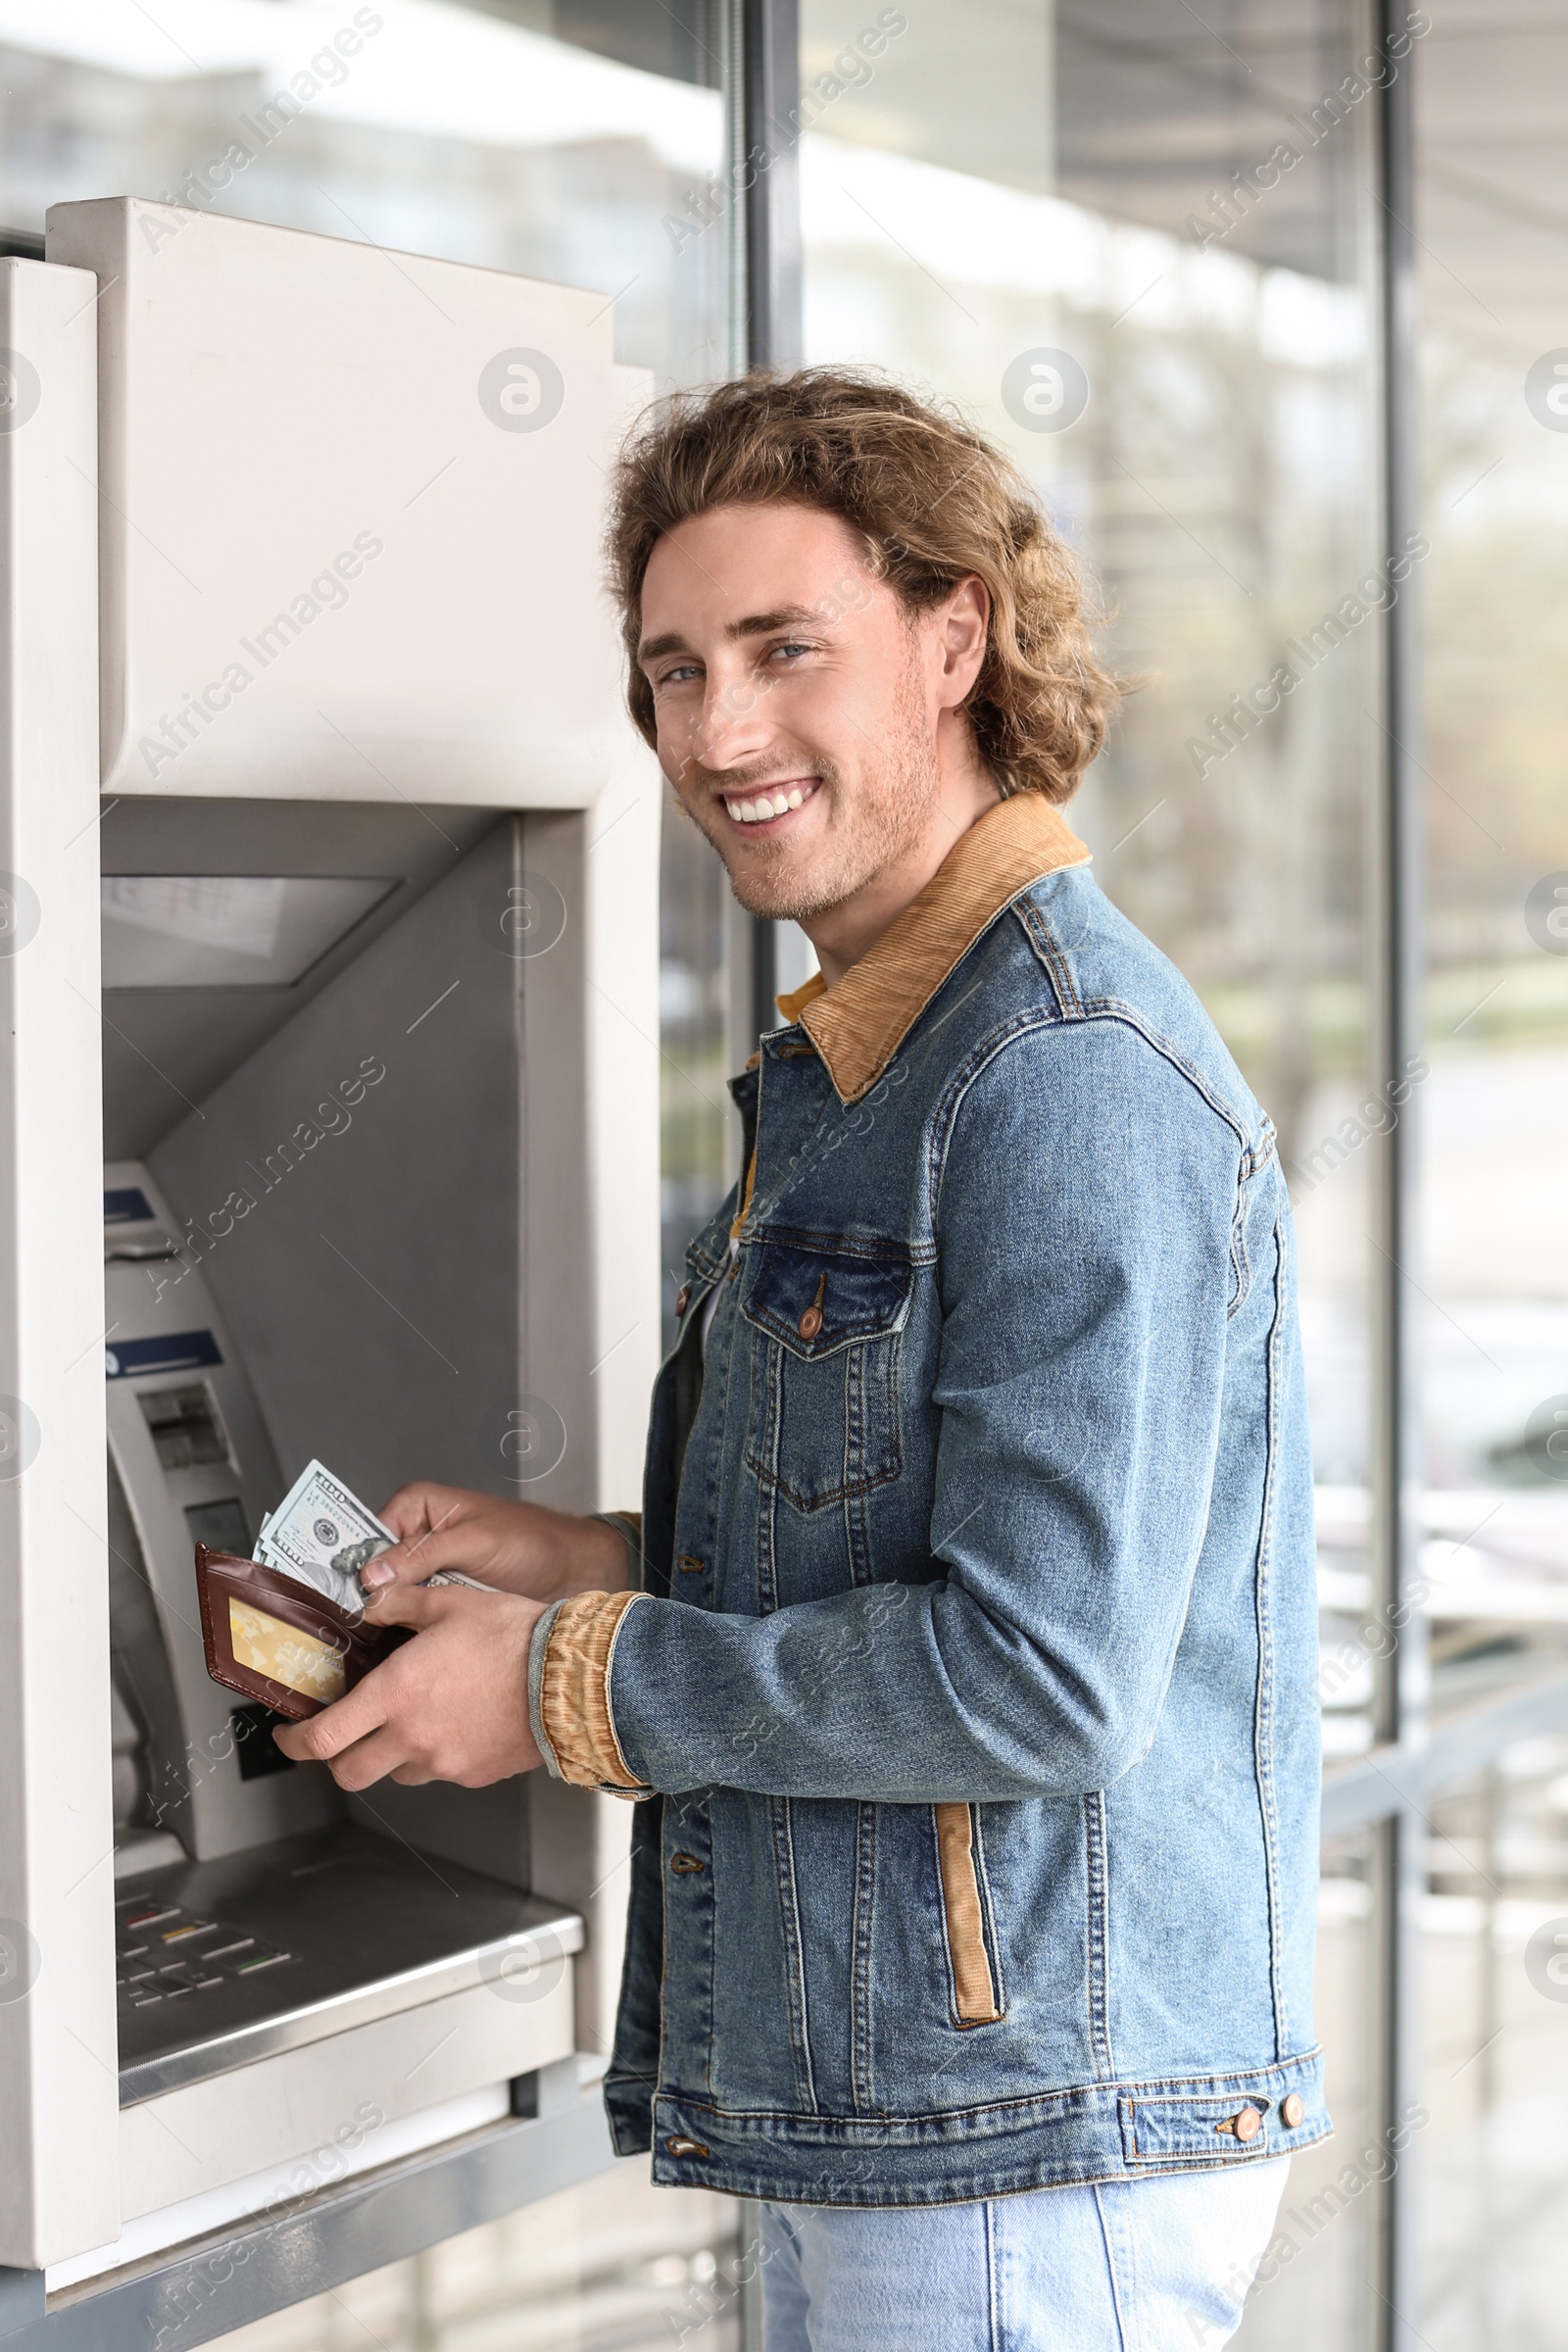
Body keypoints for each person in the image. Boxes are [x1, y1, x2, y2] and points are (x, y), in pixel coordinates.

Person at [277, 368, 1326, 2349]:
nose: (715, 730)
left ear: (953, 641)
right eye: (672, 668)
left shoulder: (1054, 1079)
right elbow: (900, 1540)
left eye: (782, 651)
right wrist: (593, 1564)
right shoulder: (876, 1054)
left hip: (1022, 2147)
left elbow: (1039, 1672)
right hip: (940, 2114)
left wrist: (567, 1683)